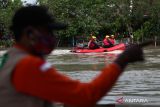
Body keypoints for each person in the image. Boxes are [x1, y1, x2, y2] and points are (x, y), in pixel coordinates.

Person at [0, 6, 145, 107]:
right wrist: (123, 59)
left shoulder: (9, 58)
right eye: (48, 31)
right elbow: (87, 96)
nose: (52, 37)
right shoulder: (28, 65)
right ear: (29, 34)